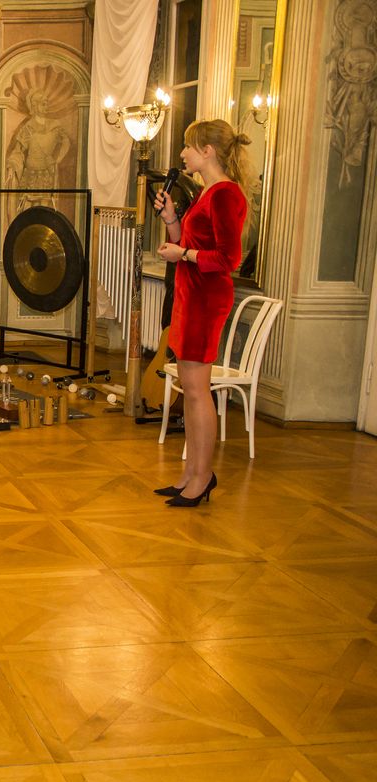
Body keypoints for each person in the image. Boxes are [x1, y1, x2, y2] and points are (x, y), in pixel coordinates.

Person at [153, 118, 254, 508]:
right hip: (189, 294)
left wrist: (184, 254)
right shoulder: (206, 192)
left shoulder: (226, 194)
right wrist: (171, 220)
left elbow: (229, 258)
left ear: (207, 151)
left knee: (198, 394)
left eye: (188, 146)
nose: (182, 153)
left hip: (206, 299)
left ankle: (203, 477)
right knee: (191, 390)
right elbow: (188, 243)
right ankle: (190, 475)